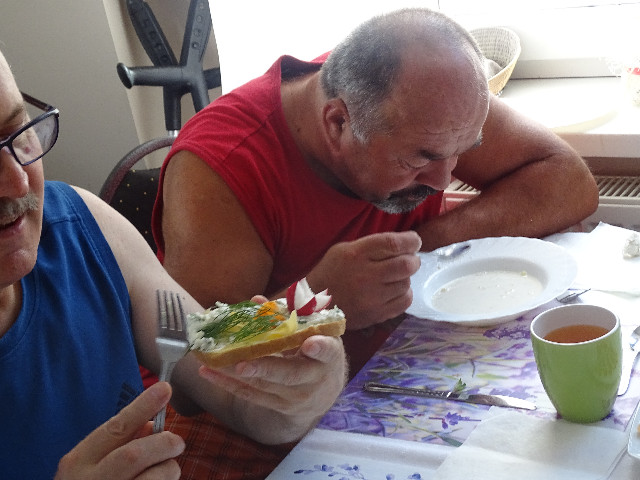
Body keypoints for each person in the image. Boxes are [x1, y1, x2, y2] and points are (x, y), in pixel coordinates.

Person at [152, 8, 599, 372]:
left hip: (405, 358)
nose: (444, 181)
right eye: (418, 161)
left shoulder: (425, 97)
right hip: (270, 411)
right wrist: (316, 302)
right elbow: (195, 355)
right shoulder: (222, 166)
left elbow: (568, 180)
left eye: (463, 153)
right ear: (337, 123)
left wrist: (426, 249)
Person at [0, 48, 347, 479]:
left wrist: (303, 391)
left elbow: (236, 394)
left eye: (17, 132)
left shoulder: (86, 226)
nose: (17, 182)